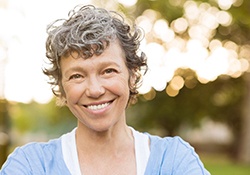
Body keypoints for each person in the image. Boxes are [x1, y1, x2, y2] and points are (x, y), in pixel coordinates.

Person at [0, 4, 210, 175]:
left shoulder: (173, 160)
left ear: (132, 75)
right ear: (62, 88)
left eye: (108, 71)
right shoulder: (31, 166)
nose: (94, 89)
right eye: (77, 76)